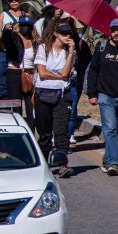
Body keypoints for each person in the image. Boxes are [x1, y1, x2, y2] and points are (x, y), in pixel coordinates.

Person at [86, 18, 118, 175]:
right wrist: (91, 93)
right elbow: (93, 70)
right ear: (109, 31)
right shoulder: (102, 47)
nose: (116, 33)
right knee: (110, 128)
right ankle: (114, 163)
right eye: (113, 30)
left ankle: (107, 160)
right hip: (105, 95)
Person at [34, 19, 76, 177]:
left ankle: (63, 164)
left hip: (62, 94)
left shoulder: (69, 52)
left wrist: (71, 52)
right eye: (63, 33)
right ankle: (44, 166)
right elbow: (42, 73)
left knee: (61, 131)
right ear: (55, 34)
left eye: (69, 34)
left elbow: (66, 73)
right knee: (44, 134)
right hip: (43, 93)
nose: (67, 36)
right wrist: (59, 76)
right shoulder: (43, 49)